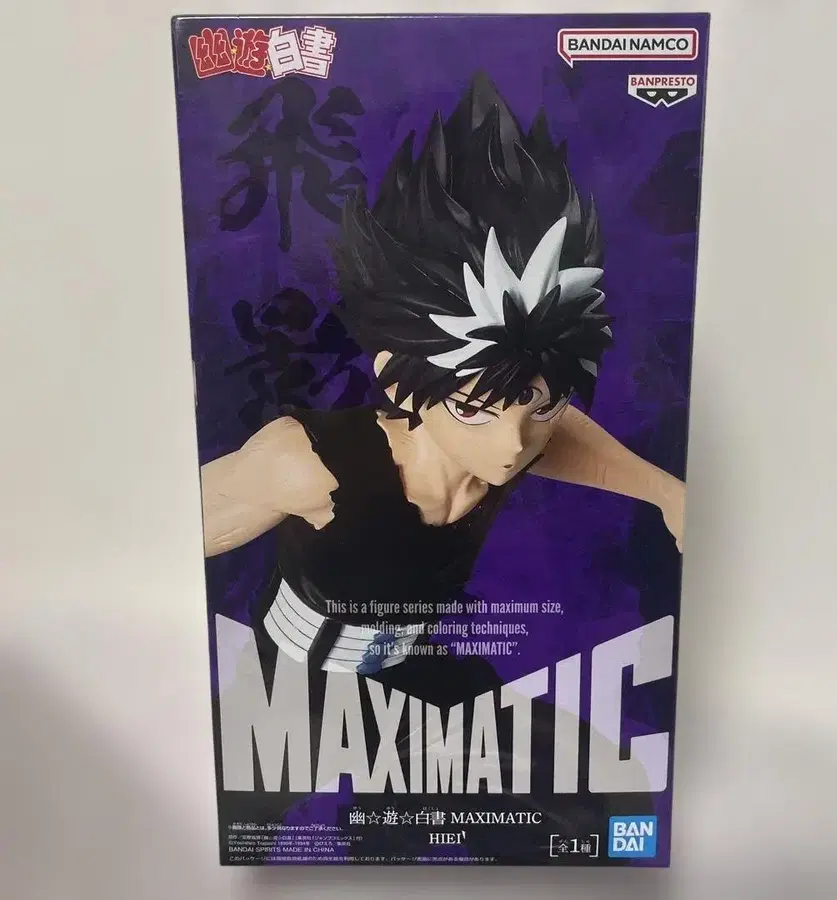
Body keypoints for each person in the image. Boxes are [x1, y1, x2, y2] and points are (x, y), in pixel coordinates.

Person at [203, 72, 683, 863]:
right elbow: (177, 526)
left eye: (537, 406)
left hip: (409, 676)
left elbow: (556, 431)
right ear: (400, 383)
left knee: (607, 789)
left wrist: (670, 495)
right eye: (475, 408)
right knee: (247, 828)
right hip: (294, 688)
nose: (511, 445)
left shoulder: (518, 435)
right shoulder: (310, 462)